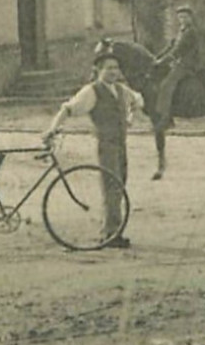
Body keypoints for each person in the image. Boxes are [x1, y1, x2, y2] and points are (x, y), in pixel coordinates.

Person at [44, 47, 140, 246]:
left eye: (116, 68)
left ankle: (114, 230)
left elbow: (138, 100)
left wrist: (130, 117)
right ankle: (110, 234)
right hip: (106, 145)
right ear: (98, 70)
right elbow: (68, 109)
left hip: (121, 144)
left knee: (119, 185)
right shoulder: (91, 91)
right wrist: (53, 128)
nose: (113, 72)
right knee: (111, 187)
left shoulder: (122, 90)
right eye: (108, 68)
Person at [152, 5, 200, 126]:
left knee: (166, 85)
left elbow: (177, 51)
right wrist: (156, 57)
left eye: (185, 17)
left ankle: (165, 119)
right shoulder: (181, 31)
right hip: (179, 62)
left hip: (187, 64)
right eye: (180, 17)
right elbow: (171, 46)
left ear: (191, 18)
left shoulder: (190, 32)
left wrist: (162, 61)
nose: (182, 19)